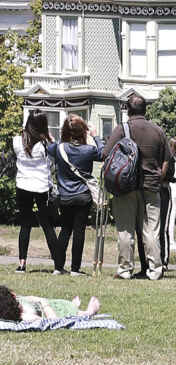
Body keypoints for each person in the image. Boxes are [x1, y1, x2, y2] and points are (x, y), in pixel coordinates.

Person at [104, 93, 172, 281]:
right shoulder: (157, 130)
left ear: (128, 110)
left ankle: (125, 270)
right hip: (151, 185)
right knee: (152, 230)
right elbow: (167, 158)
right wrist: (159, 176)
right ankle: (155, 269)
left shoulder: (122, 129)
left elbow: (105, 154)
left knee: (125, 229)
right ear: (145, 109)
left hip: (126, 187)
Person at [51, 115, 102, 276]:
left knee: (65, 230)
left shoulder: (59, 148)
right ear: (83, 132)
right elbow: (103, 153)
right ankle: (75, 268)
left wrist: (55, 138)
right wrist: (95, 135)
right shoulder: (88, 150)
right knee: (79, 231)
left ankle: (58, 267)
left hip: (65, 195)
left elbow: (49, 148)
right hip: (82, 195)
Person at [12, 110, 63, 274]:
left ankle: (22, 264)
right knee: (47, 226)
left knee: (25, 225)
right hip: (41, 187)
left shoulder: (17, 141)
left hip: (23, 185)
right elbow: (55, 157)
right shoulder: (46, 145)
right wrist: (50, 138)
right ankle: (57, 266)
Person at [0, 285, 102, 323]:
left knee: (62, 304)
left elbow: (28, 298)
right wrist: (44, 303)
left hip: (54, 304)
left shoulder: (19, 300)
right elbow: (52, 321)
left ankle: (73, 305)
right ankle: (88, 312)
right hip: (56, 312)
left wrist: (35, 298)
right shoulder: (25, 316)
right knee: (77, 314)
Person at [162, 136, 176, 267]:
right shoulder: (173, 161)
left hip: (172, 190)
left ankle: (170, 239)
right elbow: (175, 179)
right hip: (173, 191)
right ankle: (170, 240)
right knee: (170, 218)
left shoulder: (172, 160)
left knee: (170, 218)